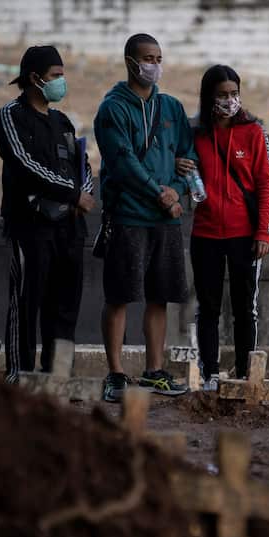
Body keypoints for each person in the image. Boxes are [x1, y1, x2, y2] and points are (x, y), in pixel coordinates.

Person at [94, 32, 195, 401]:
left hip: (167, 219)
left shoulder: (171, 108)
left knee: (159, 296)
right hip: (129, 216)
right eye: (147, 58)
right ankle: (116, 373)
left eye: (158, 57)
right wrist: (161, 193)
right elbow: (123, 163)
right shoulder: (113, 109)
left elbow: (188, 156)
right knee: (119, 295)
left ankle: (154, 370)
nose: (154, 65)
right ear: (130, 62)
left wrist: (179, 192)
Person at [0, 45, 96, 381]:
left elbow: (83, 165)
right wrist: (72, 193)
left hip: (69, 228)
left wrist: (85, 192)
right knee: (26, 304)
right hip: (31, 226)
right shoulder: (11, 116)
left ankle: (59, 378)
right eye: (55, 76)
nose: (60, 83)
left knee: (65, 308)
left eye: (62, 76)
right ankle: (19, 376)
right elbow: (24, 164)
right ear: (35, 78)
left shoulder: (62, 121)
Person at [180, 64, 269, 389]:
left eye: (234, 93)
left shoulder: (253, 132)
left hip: (244, 235)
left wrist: (264, 232)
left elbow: (266, 185)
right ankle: (209, 374)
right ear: (209, 96)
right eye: (222, 95)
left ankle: (245, 375)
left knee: (244, 309)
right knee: (207, 309)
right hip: (205, 234)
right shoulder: (196, 134)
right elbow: (186, 177)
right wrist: (180, 168)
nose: (229, 100)